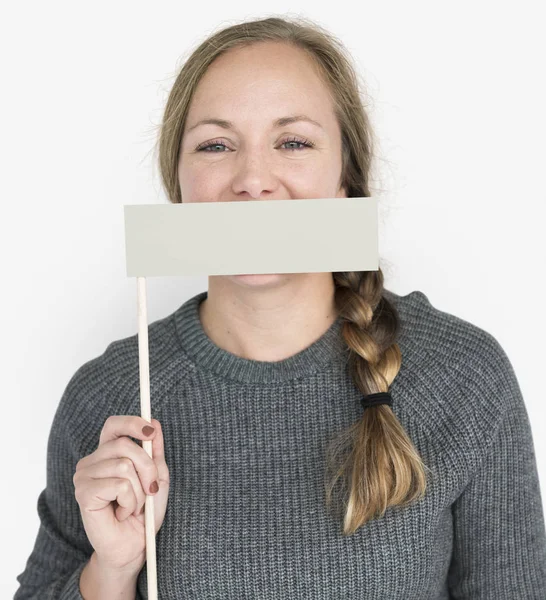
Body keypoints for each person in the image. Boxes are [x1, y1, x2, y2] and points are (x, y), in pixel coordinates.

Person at [14, 15, 546, 600]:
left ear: (345, 178)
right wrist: (111, 571)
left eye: (292, 142)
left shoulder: (463, 376)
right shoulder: (109, 397)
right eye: (216, 145)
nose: (253, 179)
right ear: (179, 184)